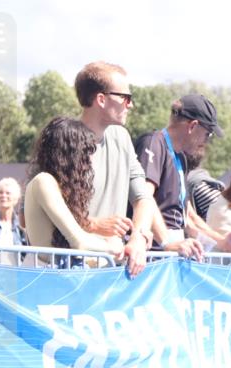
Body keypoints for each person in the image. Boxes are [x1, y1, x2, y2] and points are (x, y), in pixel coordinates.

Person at [133, 94, 231, 258]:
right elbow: (145, 197)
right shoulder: (153, 142)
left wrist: (224, 243)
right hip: (151, 255)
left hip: (168, 253)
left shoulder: (181, 158)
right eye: (208, 134)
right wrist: (167, 242)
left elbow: (188, 217)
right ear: (193, 126)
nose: (206, 141)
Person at [74, 61, 158, 276]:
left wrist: (138, 237)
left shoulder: (121, 137)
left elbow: (144, 198)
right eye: (125, 98)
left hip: (110, 272)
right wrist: (92, 225)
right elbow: (28, 217)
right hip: (67, 271)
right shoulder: (60, 139)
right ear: (101, 99)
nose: (130, 105)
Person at [23, 117, 124, 260]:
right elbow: (79, 241)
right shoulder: (43, 181)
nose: (88, 161)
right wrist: (112, 247)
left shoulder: (55, 185)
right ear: (70, 155)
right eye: (84, 154)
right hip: (46, 277)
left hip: (55, 275)